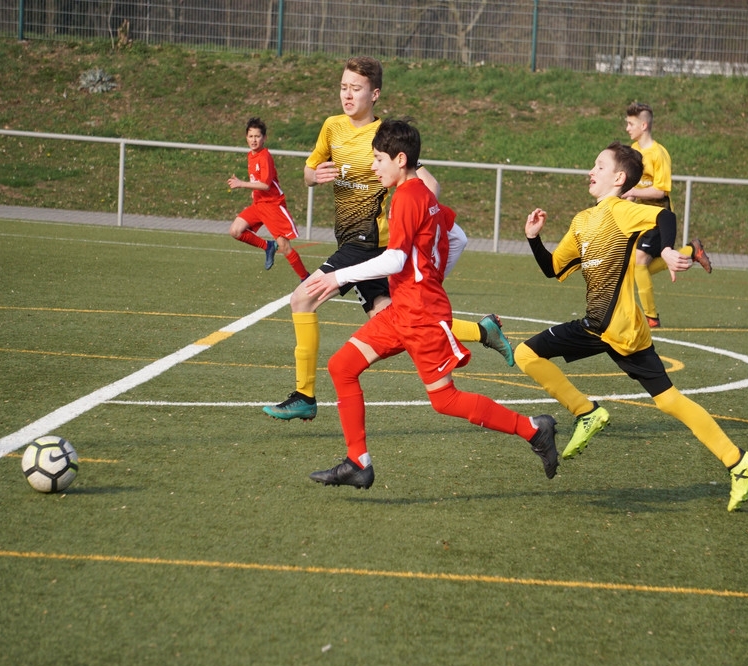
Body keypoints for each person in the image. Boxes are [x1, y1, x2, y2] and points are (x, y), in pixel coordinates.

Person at [304, 117, 558, 488]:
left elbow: (395, 259)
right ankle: (358, 462)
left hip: (420, 315)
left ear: (400, 159)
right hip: (403, 309)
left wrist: (339, 276)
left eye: (378, 159)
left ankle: (533, 429)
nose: (373, 167)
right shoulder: (423, 194)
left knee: (444, 400)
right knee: (342, 366)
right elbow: (458, 238)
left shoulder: (406, 197)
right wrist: (430, 277)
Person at [263, 56, 512, 423]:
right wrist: (314, 176)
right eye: (343, 87)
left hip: (370, 242)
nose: (347, 95)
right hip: (353, 241)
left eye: (356, 88)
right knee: (390, 317)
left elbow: (427, 184)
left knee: (303, 298)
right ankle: (482, 331)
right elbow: (308, 172)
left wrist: (413, 213)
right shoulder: (331, 127)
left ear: (375, 94)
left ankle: (304, 394)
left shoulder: (384, 137)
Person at [515, 141, 748, 512]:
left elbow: (664, 219)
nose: (591, 171)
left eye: (599, 166)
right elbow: (553, 268)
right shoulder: (582, 221)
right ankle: (738, 460)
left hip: (611, 327)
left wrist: (666, 249)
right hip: (614, 328)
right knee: (669, 400)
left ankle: (586, 412)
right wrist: (533, 238)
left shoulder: (620, 210)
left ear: (618, 178)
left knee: (525, 353)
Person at [622, 102, 711, 328]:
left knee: (638, 262)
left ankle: (651, 317)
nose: (627, 128)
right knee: (636, 267)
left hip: (657, 216)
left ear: (643, 125)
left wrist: (633, 192)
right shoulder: (634, 150)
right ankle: (691, 251)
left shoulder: (659, 154)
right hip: (639, 216)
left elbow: (661, 190)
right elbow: (634, 185)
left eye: (630, 124)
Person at [226, 117, 310, 280]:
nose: (254, 140)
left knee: (284, 246)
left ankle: (305, 278)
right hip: (259, 204)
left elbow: (265, 185)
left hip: (272, 205)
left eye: (257, 136)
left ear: (264, 138)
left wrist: (241, 184)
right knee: (235, 231)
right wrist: (253, 191)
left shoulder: (265, 156)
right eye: (251, 136)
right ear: (246, 137)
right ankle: (267, 246)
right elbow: (257, 180)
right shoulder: (251, 155)